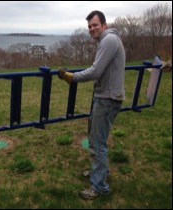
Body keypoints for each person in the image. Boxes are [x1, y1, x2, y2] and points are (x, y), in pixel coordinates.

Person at [58, 10, 125, 199]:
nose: (92, 29)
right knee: (96, 139)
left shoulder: (109, 40)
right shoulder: (106, 40)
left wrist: (71, 77)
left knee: (97, 143)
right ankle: (101, 173)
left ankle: (99, 187)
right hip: (105, 97)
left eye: (95, 25)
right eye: (89, 26)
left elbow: (95, 71)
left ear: (104, 24)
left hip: (107, 99)